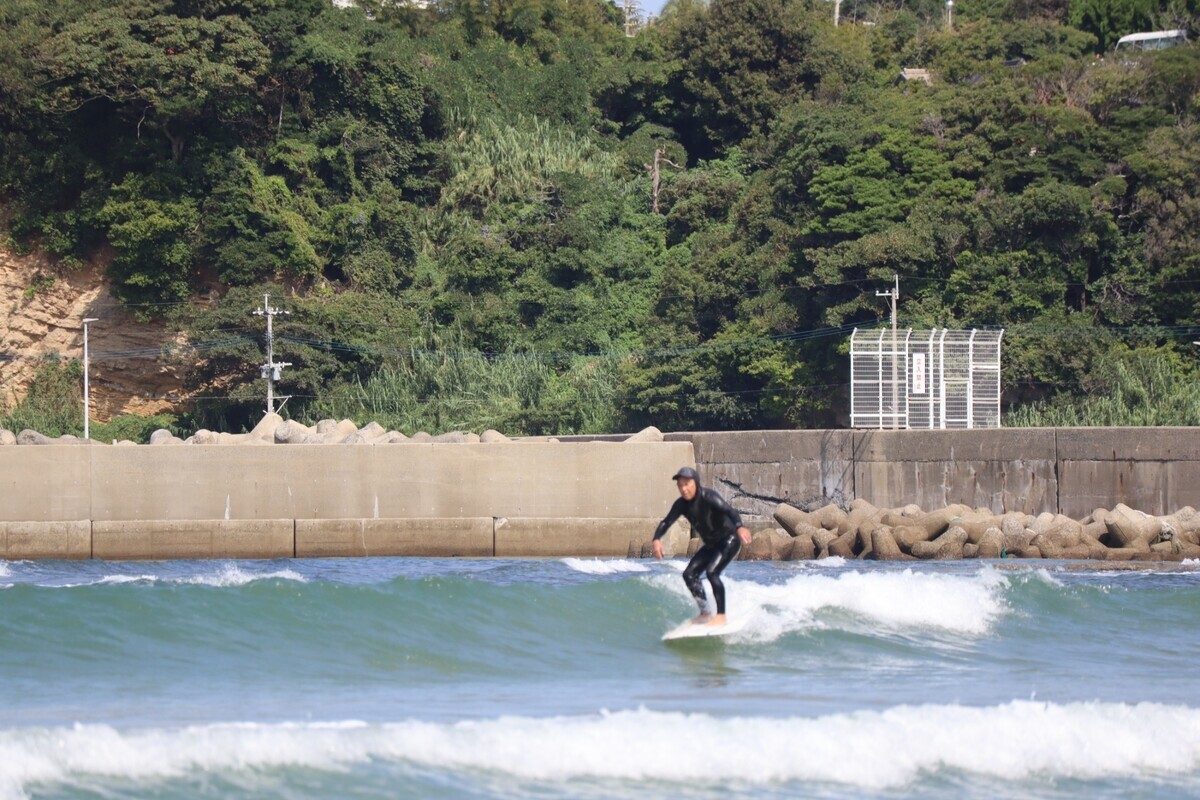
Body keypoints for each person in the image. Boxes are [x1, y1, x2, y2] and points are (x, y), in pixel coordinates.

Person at [651, 466, 752, 626]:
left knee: (712, 572)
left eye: (686, 484)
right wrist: (656, 539)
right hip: (712, 544)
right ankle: (705, 613)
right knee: (689, 574)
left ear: (696, 483)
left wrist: (739, 526)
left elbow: (730, 511)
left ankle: (721, 616)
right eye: (680, 485)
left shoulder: (708, 496)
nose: (683, 489)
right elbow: (666, 522)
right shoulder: (681, 504)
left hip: (729, 539)